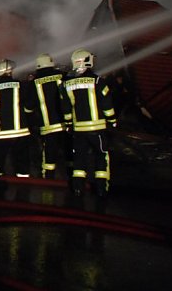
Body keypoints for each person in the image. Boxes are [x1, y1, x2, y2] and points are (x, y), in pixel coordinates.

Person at [61, 49, 117, 197]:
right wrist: (112, 120)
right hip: (97, 128)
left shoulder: (67, 84)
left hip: (78, 129)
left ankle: (77, 189)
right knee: (101, 156)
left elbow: (65, 107)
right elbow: (107, 104)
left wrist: (68, 124)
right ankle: (101, 189)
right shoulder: (98, 81)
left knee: (79, 159)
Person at [25, 53, 71, 179]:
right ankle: (73, 177)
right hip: (67, 122)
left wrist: (29, 119)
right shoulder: (62, 76)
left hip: (48, 125)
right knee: (69, 149)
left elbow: (29, 106)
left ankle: (48, 177)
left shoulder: (35, 82)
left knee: (50, 152)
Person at [0, 59, 32, 179]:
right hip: (20, 131)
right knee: (22, 159)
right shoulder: (20, 85)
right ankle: (23, 182)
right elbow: (29, 105)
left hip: (0, 132)